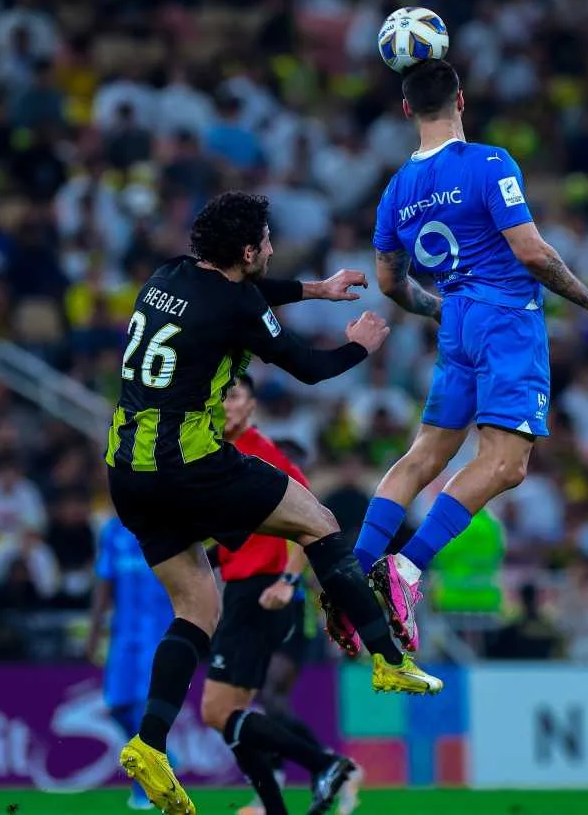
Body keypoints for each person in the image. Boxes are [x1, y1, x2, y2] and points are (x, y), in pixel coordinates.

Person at [106, 190, 442, 815]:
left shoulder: (166, 277)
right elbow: (307, 368)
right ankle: (388, 658)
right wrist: (362, 346)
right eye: (262, 240)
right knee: (319, 521)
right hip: (190, 463)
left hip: (126, 469)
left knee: (195, 609)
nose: (268, 247)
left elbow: (248, 295)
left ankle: (149, 744)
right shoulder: (234, 303)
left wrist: (314, 289)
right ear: (244, 251)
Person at [329, 58, 588, 655]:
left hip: (458, 318)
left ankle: (350, 573)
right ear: (460, 99)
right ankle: (405, 568)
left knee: (425, 454)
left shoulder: (395, 191)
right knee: (508, 464)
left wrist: (439, 309)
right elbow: (532, 253)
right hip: (507, 321)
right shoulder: (489, 163)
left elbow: (391, 285)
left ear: (407, 109)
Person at [201, 377, 362, 815]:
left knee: (220, 711)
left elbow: (310, 525)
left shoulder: (263, 455)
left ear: (251, 406)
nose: (224, 405)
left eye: (233, 396)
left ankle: (326, 764)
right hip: (248, 589)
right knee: (237, 716)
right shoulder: (228, 456)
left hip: (261, 592)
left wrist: (287, 581)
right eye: (219, 396)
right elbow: (242, 538)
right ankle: (277, 805)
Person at [87, 515, 174, 811]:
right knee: (117, 706)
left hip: (158, 631)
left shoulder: (166, 523)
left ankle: (145, 787)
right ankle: (167, 758)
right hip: (123, 635)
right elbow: (104, 581)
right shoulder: (112, 531)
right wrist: (95, 629)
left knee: (140, 709)